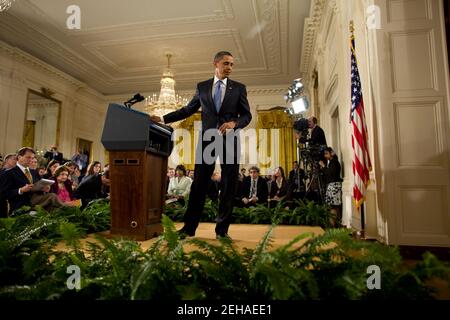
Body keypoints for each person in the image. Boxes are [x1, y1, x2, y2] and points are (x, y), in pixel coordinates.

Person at [151, 51, 252, 240]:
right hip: (207, 141)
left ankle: (222, 231)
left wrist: (234, 124)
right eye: (226, 64)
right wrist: (163, 118)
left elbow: (247, 116)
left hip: (230, 141)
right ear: (216, 63)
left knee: (229, 185)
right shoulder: (202, 87)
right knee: (198, 185)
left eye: (232, 64)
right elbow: (188, 110)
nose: (229, 67)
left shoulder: (239, 88)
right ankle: (189, 229)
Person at [0, 147, 63, 214]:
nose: (31, 160)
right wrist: (21, 190)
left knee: (53, 209)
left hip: (38, 202)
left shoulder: (34, 172)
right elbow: (3, 194)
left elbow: (39, 186)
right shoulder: (9, 173)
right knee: (52, 196)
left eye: (32, 158)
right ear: (19, 157)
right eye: (28, 157)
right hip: (22, 204)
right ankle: (67, 209)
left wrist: (44, 189)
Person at [319, 147, 343, 227]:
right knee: (332, 206)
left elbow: (331, 174)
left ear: (331, 153)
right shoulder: (331, 162)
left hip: (334, 186)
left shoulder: (334, 162)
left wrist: (323, 166)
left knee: (334, 206)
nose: (325, 156)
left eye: (326, 153)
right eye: (324, 154)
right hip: (331, 186)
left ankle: (335, 225)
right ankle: (333, 224)